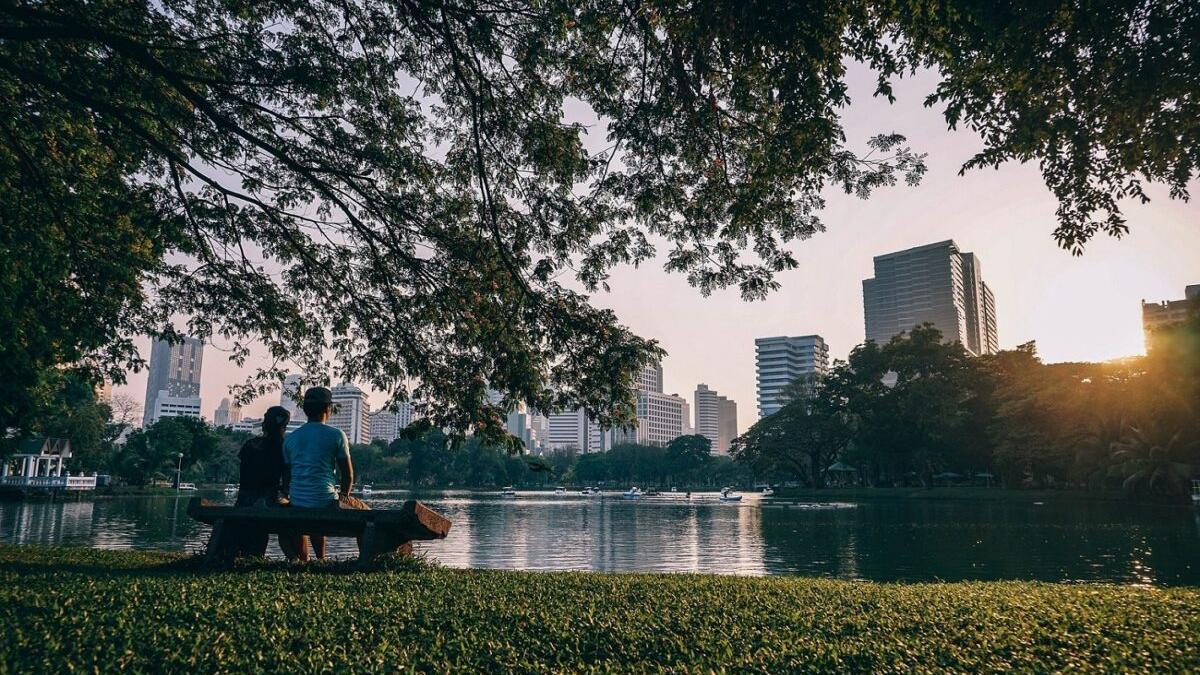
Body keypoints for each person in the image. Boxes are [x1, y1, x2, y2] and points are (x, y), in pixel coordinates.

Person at [281, 386, 368, 560]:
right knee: (367, 514)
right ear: (329, 408)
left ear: (305, 410)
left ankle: (309, 559)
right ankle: (355, 559)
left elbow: (287, 477)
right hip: (326, 501)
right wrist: (344, 496)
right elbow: (348, 475)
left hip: (298, 501)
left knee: (311, 506)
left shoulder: (290, 439)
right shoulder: (336, 435)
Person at [230, 405, 291, 558]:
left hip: (244, 499)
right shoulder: (284, 447)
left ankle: (245, 553)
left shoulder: (250, 445)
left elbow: (243, 474)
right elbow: (287, 479)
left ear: (265, 424)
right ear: (284, 427)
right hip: (269, 499)